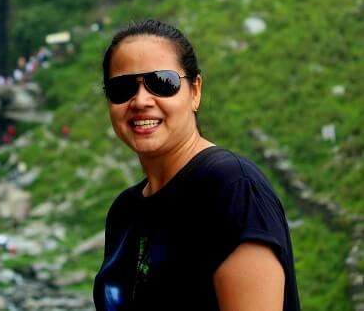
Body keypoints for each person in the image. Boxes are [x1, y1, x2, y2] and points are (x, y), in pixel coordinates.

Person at [94, 19, 299, 310]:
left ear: (195, 91)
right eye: (122, 88)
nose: (140, 101)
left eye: (162, 83)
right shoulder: (124, 212)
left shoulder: (233, 190)